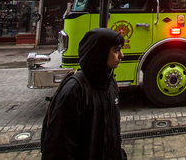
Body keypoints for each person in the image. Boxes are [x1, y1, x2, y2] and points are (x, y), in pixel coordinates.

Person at [41, 28, 126, 160]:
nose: (122, 55)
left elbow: (112, 134)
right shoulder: (74, 90)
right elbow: (58, 147)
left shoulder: (110, 84)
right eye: (116, 51)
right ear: (100, 53)